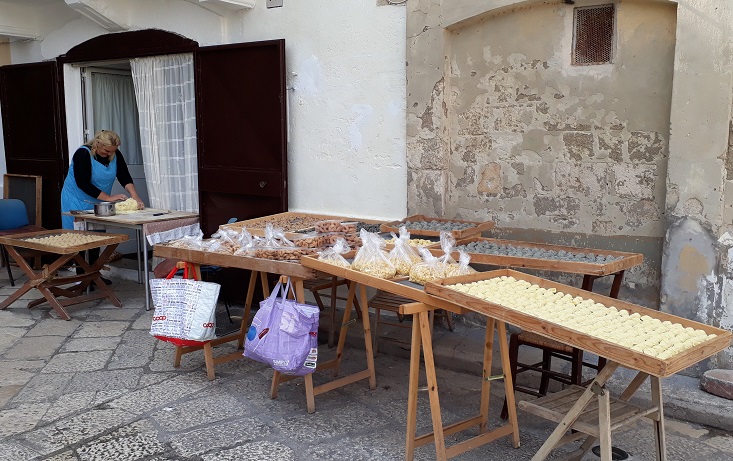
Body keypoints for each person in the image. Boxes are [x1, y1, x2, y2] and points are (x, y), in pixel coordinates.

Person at [61, 130, 145, 281]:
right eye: (106, 151)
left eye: (112, 151)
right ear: (97, 144)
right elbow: (83, 183)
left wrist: (135, 196)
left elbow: (124, 176)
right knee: (80, 239)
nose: (108, 154)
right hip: (76, 198)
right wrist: (109, 198)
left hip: (99, 200)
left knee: (96, 237)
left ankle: (93, 275)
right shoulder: (83, 154)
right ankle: (82, 277)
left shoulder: (115, 154)